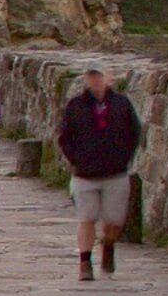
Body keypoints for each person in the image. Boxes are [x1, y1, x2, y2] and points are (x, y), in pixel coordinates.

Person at [56, 65, 144, 280]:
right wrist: (77, 160)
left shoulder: (122, 104)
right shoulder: (76, 105)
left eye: (99, 76)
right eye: (91, 76)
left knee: (114, 221)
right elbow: (64, 136)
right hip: (84, 174)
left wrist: (124, 158)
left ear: (109, 78)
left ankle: (108, 245)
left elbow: (134, 132)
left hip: (115, 173)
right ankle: (85, 262)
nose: (95, 80)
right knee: (86, 218)